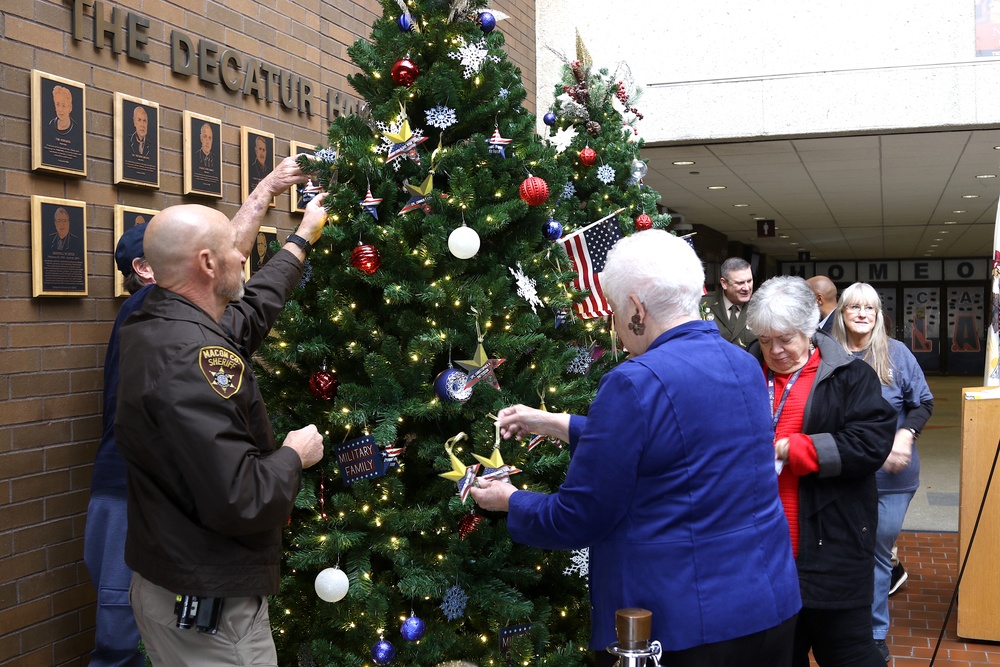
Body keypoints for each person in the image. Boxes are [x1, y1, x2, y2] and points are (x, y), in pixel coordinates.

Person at [471, 231, 801, 667]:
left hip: (680, 625)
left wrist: (512, 501)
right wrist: (556, 423)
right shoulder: (742, 362)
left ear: (638, 311)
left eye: (616, 314)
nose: (617, 328)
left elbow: (580, 516)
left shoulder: (634, 380)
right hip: (768, 605)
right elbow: (682, 445)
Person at [115, 161, 325, 665]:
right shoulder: (190, 360)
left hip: (176, 582)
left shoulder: (158, 321)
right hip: (211, 613)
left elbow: (247, 315)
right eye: (235, 250)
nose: (242, 256)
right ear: (209, 265)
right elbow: (241, 497)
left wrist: (300, 242)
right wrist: (294, 456)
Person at [745, 276, 896, 667]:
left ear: (810, 329)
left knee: (849, 653)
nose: (775, 350)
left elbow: (870, 444)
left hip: (832, 550)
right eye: (764, 340)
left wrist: (799, 448)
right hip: (762, 556)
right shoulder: (743, 374)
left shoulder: (850, 376)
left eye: (786, 339)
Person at [832, 282, 933, 662]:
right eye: (853, 307)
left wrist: (904, 436)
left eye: (869, 308)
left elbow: (923, 401)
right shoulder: (827, 354)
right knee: (843, 549)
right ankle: (840, 624)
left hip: (890, 480)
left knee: (875, 551)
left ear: (878, 315)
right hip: (842, 474)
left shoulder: (896, 354)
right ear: (841, 313)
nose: (861, 314)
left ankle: (873, 632)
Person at [83, 224, 155, 667]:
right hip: (123, 491)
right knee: (119, 635)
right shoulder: (144, 305)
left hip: (139, 488)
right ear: (144, 269)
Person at [701, 256, 756, 347]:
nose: (746, 288)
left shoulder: (760, 307)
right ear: (724, 283)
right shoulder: (702, 305)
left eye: (749, 281)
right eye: (740, 283)